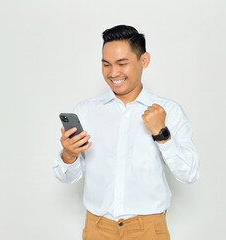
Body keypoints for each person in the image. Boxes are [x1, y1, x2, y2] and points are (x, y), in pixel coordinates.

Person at [53, 25, 199, 240]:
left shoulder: (170, 111)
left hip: (148, 228)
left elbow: (189, 174)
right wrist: (69, 155)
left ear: (144, 60)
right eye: (106, 64)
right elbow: (67, 178)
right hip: (97, 228)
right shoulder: (85, 110)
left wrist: (162, 133)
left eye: (122, 64)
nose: (113, 73)